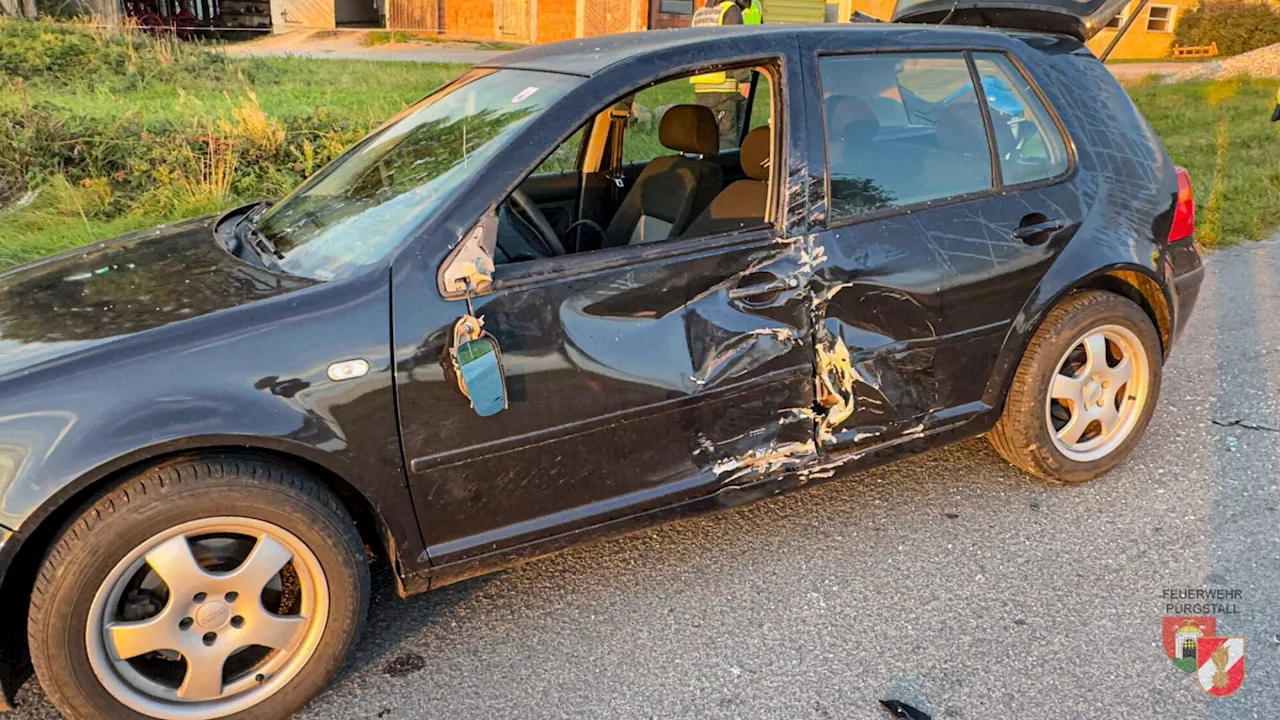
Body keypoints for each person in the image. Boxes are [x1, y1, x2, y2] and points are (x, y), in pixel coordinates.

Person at [690, 0, 764, 145]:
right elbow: (734, 48)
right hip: (725, 88)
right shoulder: (731, 11)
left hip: (702, 86)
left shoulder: (701, 13)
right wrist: (744, 79)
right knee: (726, 140)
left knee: (706, 136)